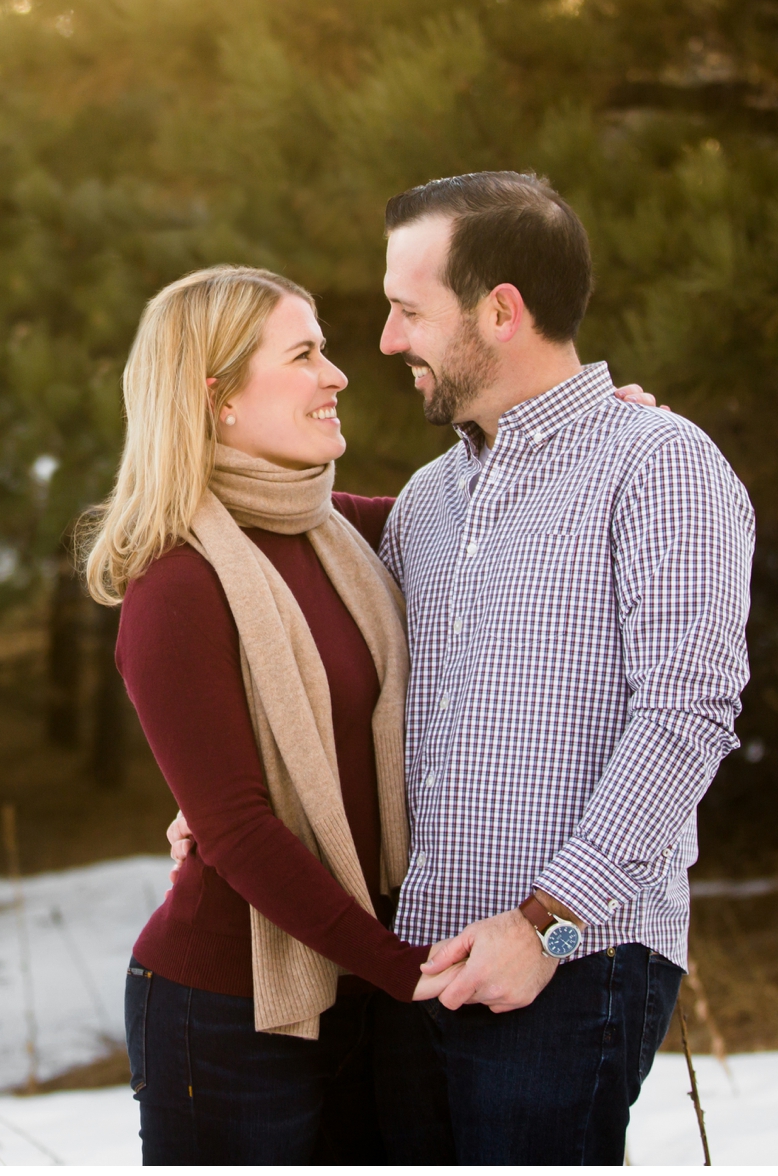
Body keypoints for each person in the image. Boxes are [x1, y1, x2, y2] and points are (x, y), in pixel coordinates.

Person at [166, 170, 753, 1165]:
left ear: (502, 312)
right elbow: (348, 674)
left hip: (573, 969)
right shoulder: (431, 506)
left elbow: (687, 718)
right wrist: (228, 790)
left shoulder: (658, 465)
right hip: (414, 965)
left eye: (406, 311)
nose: (388, 342)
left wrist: (544, 926)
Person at [82, 265, 456, 1165]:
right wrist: (406, 974)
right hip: (226, 1014)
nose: (338, 375)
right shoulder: (176, 586)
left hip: (360, 989)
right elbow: (240, 831)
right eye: (306, 354)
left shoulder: (340, 532)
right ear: (219, 399)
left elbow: (504, 515)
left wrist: (597, 434)